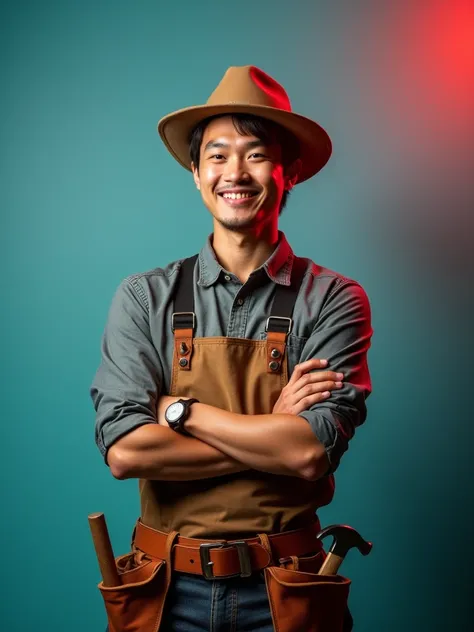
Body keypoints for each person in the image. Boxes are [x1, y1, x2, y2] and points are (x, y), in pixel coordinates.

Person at [90, 65, 373, 632]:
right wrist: (271, 427)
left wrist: (178, 413)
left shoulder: (335, 299)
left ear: (289, 171)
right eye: (216, 156)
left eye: (255, 153)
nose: (234, 173)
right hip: (164, 591)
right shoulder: (145, 297)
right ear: (195, 173)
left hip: (287, 589)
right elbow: (124, 452)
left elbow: (308, 454)